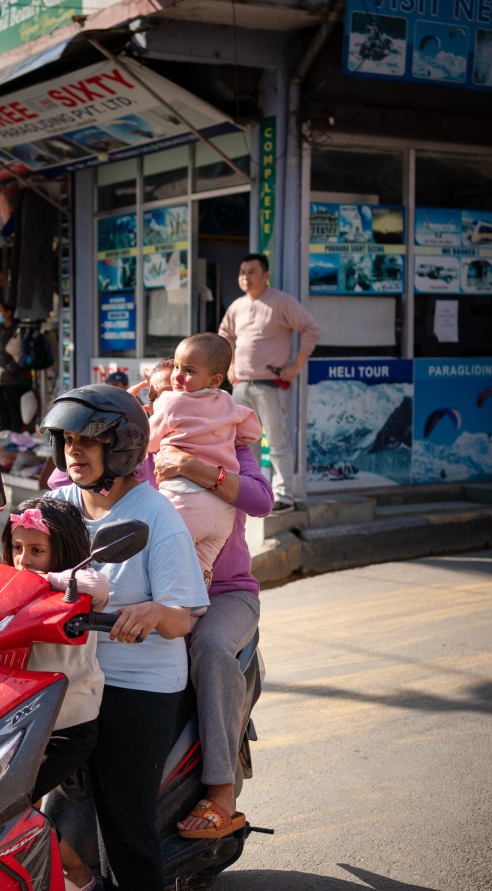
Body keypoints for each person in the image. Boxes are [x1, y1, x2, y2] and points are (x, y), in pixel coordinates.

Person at [0, 385, 209, 891]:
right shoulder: (62, 502)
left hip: (135, 683)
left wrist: (149, 617)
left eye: (86, 442)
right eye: (66, 443)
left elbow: (185, 614)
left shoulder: (154, 518)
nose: (73, 454)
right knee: (5, 791)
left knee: (124, 833)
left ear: (123, 446)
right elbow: (14, 572)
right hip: (69, 672)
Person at [0, 494, 109, 891]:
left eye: (37, 550)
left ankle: (78, 874)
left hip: (68, 726)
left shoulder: (74, 589)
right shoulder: (17, 586)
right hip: (15, 722)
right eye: (17, 548)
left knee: (7, 806)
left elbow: (97, 584)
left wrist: (35, 579)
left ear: (63, 551)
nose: (23, 559)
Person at [150, 438, 273, 839]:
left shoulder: (227, 443)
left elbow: (261, 500)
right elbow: (70, 485)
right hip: (156, 594)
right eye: (166, 388)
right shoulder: (142, 446)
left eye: (188, 375)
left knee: (211, 646)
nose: (179, 391)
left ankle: (221, 790)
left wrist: (190, 466)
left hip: (226, 594)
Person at [147, 333, 261, 586]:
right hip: (223, 511)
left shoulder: (170, 402)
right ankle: (196, 604)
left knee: (162, 562)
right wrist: (223, 433)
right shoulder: (228, 403)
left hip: (184, 500)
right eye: (177, 367)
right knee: (200, 567)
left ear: (215, 379)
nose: (177, 376)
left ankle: (177, 609)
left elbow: (149, 441)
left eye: (188, 371)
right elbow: (253, 431)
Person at [218, 253, 320, 513]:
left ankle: (284, 495)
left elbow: (310, 328)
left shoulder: (281, 302)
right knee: (242, 443)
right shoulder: (237, 306)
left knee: (277, 440)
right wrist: (229, 367)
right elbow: (224, 336)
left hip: (271, 385)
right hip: (241, 384)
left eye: (252, 272)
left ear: (266, 275)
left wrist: (296, 364)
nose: (245, 277)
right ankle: (248, 492)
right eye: (242, 272)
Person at [0, 301, 24, 432]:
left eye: (0, 310)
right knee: (1, 411)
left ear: (9, 313)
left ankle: (15, 436)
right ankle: (4, 437)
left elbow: (21, 353)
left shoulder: (16, 330)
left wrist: (11, 368)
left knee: (13, 410)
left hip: (10, 378)